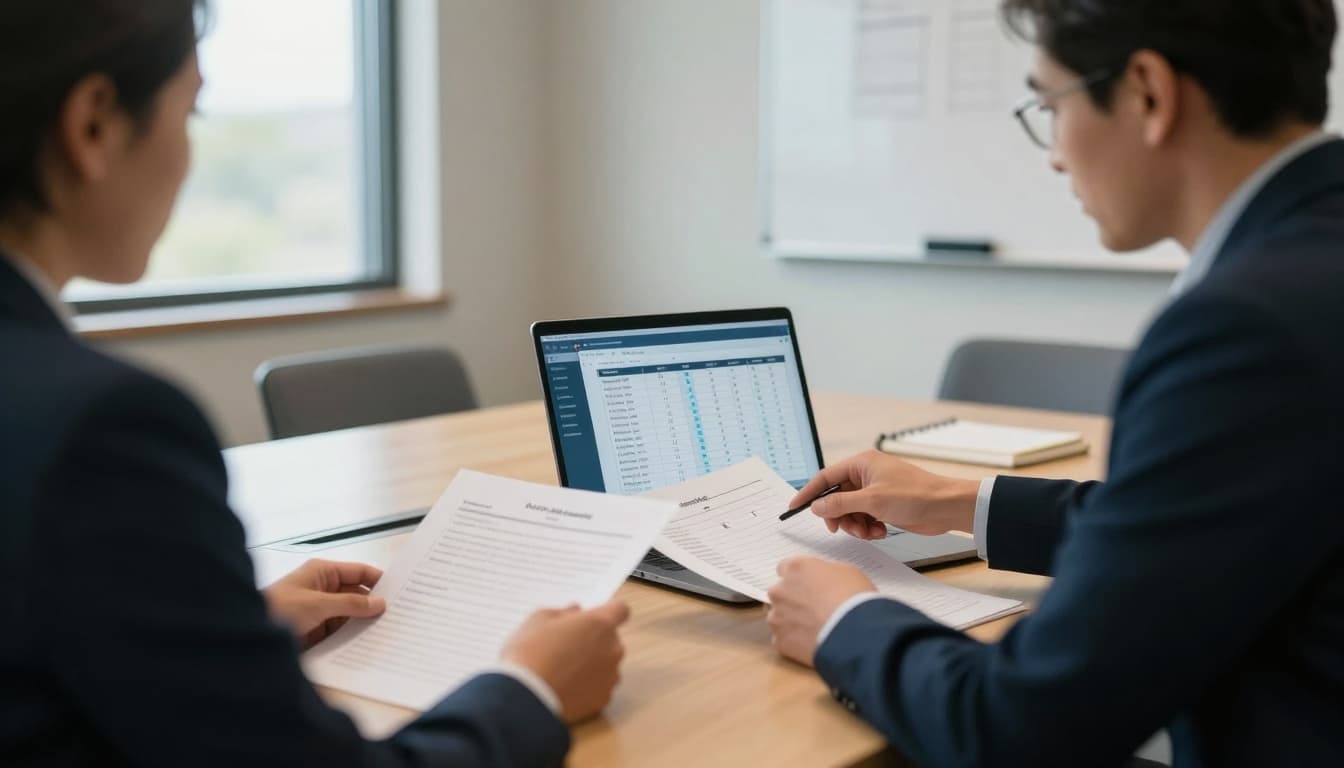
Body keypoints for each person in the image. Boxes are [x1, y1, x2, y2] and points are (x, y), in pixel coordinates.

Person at [0, 2, 627, 765]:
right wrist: (532, 686)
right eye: (188, 112)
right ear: (93, 125)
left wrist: (208, 627)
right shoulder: (104, 426)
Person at [765, 0, 1344, 766]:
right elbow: (1208, 520)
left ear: (1147, 92)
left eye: (1050, 105)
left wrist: (846, 624)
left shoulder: (1244, 327)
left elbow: (1017, 727)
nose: (1055, 155)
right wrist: (958, 502)